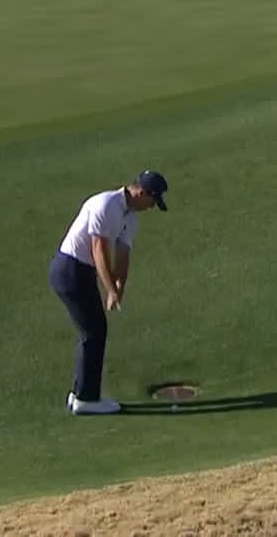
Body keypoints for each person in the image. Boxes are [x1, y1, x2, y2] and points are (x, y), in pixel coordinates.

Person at [48, 170, 170, 415]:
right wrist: (109, 289)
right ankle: (86, 399)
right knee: (94, 331)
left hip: (82, 273)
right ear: (141, 192)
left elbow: (122, 256)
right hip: (68, 270)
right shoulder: (105, 205)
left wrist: (119, 288)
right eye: (152, 201)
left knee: (92, 330)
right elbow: (98, 251)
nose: (151, 207)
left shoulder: (130, 217)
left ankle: (79, 393)